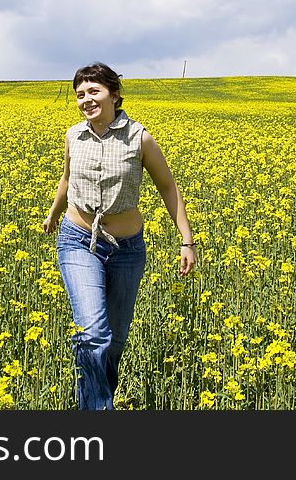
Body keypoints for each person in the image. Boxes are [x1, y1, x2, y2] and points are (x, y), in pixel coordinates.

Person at [43, 62, 197, 410]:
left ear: (114, 94)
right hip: (78, 240)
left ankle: (97, 399)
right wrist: (54, 213)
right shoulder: (73, 136)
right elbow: (67, 179)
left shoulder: (139, 137)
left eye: (93, 91)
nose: (85, 100)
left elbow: (168, 187)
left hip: (127, 249)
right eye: (79, 94)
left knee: (113, 340)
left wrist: (186, 241)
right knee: (93, 334)